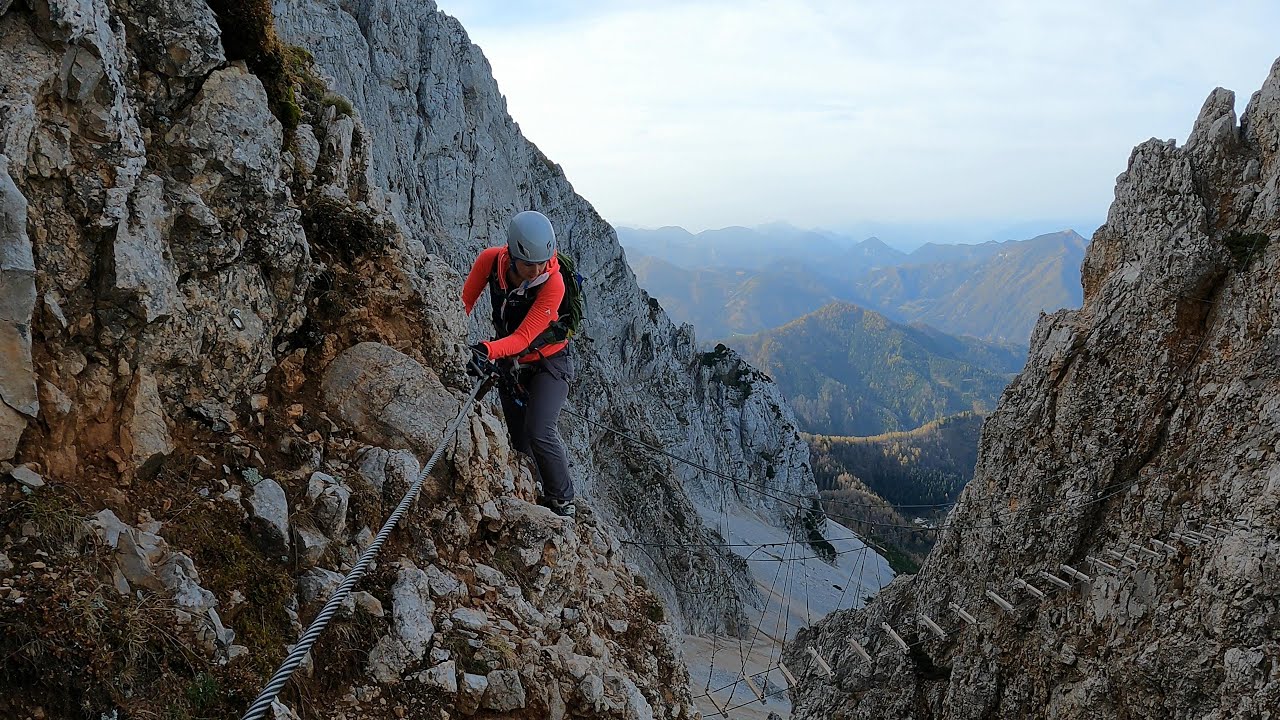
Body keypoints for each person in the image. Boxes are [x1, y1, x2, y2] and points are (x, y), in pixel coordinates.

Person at [462, 210, 577, 518]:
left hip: (550, 363)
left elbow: (525, 337)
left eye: (543, 261)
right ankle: (532, 490)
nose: (537, 269)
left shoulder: (553, 283)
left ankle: (563, 501)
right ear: (511, 253)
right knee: (520, 443)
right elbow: (464, 303)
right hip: (510, 365)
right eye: (529, 263)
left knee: (540, 429)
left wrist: (486, 350)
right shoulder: (489, 261)